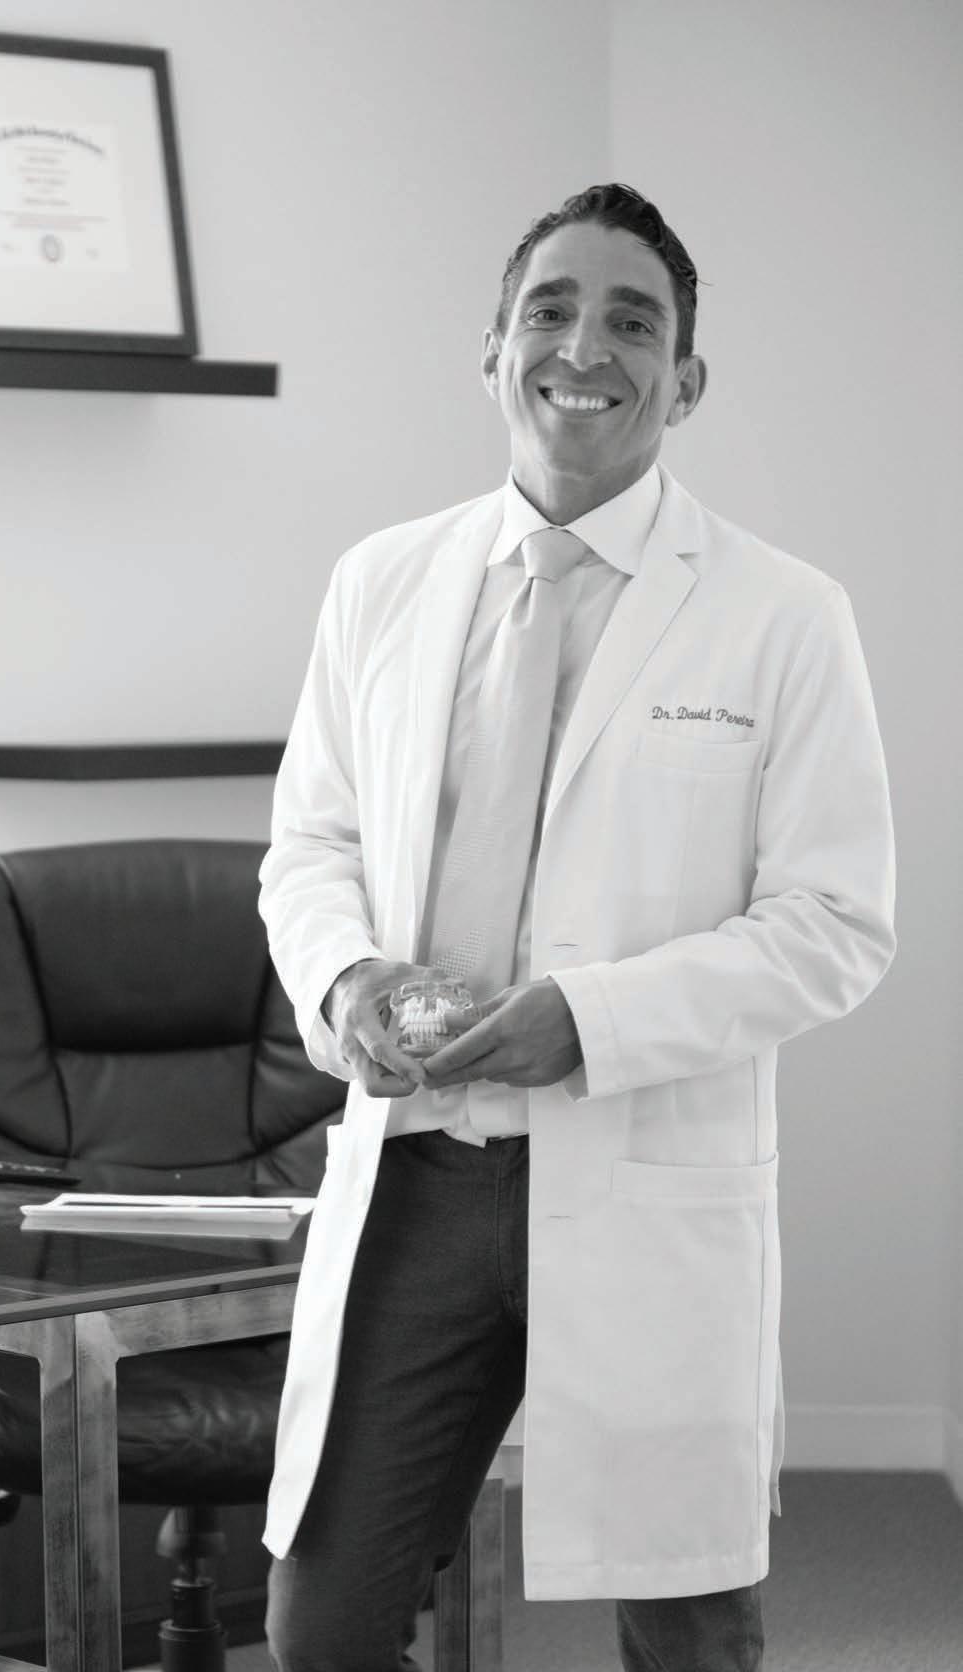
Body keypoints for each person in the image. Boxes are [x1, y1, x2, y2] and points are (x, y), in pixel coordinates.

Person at [257, 182, 896, 1672]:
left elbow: (834, 923)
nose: (583, 348)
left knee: (684, 1627)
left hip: (638, 1166)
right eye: (547, 310)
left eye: (632, 322)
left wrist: (585, 1021)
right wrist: (346, 980)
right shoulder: (381, 583)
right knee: (324, 1628)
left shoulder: (782, 613)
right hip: (419, 1178)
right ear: (491, 351)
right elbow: (312, 846)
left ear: (686, 378)